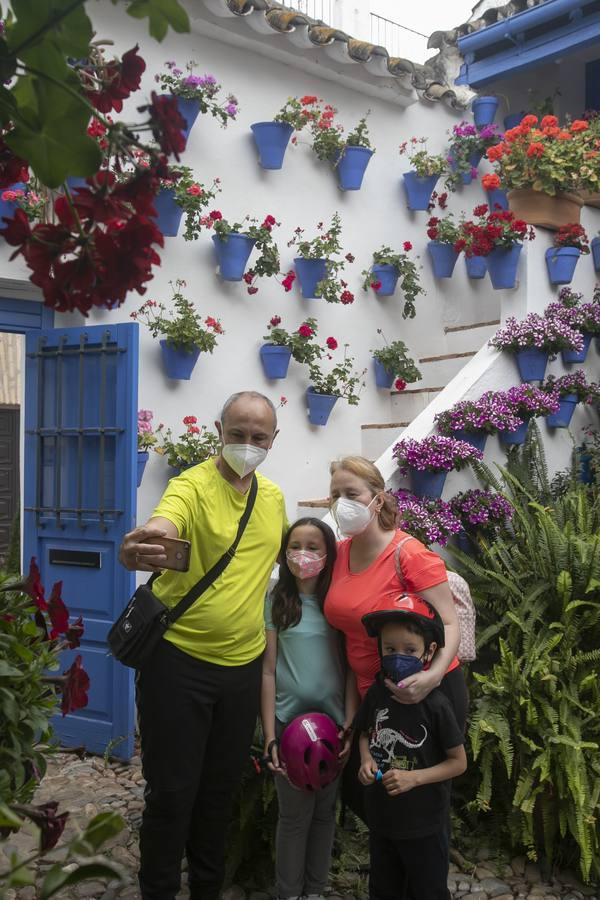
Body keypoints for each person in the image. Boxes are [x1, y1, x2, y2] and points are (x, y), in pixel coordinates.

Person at [118, 391, 288, 900]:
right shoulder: (189, 485)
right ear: (219, 430)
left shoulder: (274, 499)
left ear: (273, 441)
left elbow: (293, 560)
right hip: (177, 666)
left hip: (241, 672)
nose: (247, 444)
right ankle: (160, 891)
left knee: (219, 794)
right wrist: (144, 541)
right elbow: (163, 524)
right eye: (237, 433)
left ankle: (207, 891)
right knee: (171, 795)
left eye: (259, 437)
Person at [324, 456, 468, 821]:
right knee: (366, 790)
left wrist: (431, 678)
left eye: (352, 493)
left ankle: (423, 871)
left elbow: (450, 624)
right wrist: (352, 709)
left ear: (378, 498)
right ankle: (391, 872)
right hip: (373, 695)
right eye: (335, 494)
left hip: (426, 691)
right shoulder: (339, 554)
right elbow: (351, 643)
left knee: (421, 798)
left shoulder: (409, 554)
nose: (343, 503)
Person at [261, 517, 359, 900]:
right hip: (288, 730)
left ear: (329, 554)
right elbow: (268, 671)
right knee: (294, 818)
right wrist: (270, 736)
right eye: (295, 546)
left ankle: (315, 890)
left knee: (324, 815)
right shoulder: (275, 601)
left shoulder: (337, 603)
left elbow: (351, 667)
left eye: (313, 547)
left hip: (334, 729)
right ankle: (289, 893)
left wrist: (350, 722)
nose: (303, 555)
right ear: (284, 553)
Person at [355, 595, 467, 900]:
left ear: (429, 651)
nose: (397, 657)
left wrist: (414, 778)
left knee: (428, 890)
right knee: (383, 889)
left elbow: (458, 763)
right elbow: (366, 732)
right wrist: (365, 759)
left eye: (409, 650)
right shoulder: (378, 691)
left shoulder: (437, 704)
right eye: (390, 649)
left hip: (424, 825)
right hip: (382, 819)